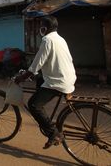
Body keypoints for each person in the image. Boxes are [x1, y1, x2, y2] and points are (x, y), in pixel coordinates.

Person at [15, 16, 76, 149]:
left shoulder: (47, 40)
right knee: (40, 81)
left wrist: (23, 77)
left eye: (40, 26)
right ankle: (45, 118)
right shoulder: (61, 39)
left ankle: (54, 133)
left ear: (45, 28)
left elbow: (37, 63)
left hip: (58, 82)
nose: (39, 29)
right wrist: (35, 75)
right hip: (69, 78)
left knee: (33, 105)